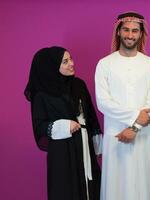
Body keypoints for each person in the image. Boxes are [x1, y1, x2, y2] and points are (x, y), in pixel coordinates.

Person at [95, 12, 150, 200]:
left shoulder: (149, 64)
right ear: (118, 32)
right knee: (117, 186)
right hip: (116, 136)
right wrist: (135, 117)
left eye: (134, 30)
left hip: (144, 136)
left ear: (141, 34)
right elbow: (104, 102)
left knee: (146, 185)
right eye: (126, 30)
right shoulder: (105, 64)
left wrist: (136, 127)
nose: (130, 35)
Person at [24, 46, 102, 200]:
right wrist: (66, 126)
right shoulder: (42, 94)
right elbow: (39, 126)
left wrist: (97, 142)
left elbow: (90, 115)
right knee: (66, 188)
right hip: (62, 151)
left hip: (84, 145)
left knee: (91, 186)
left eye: (70, 59)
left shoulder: (79, 85)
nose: (72, 63)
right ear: (52, 66)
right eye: (65, 61)